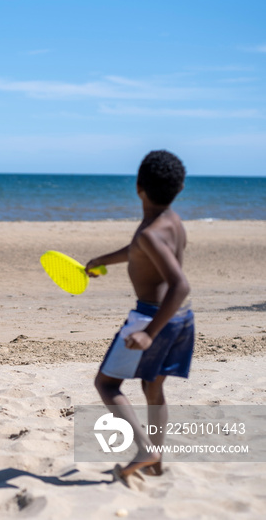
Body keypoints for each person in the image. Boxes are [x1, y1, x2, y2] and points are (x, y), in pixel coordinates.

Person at [85, 150, 193, 485]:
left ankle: (145, 449)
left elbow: (180, 285)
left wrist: (148, 333)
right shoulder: (171, 222)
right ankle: (156, 462)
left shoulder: (149, 231)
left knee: (106, 383)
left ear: (137, 187)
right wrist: (101, 260)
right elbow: (139, 252)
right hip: (182, 319)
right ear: (179, 188)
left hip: (151, 317)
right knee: (152, 387)